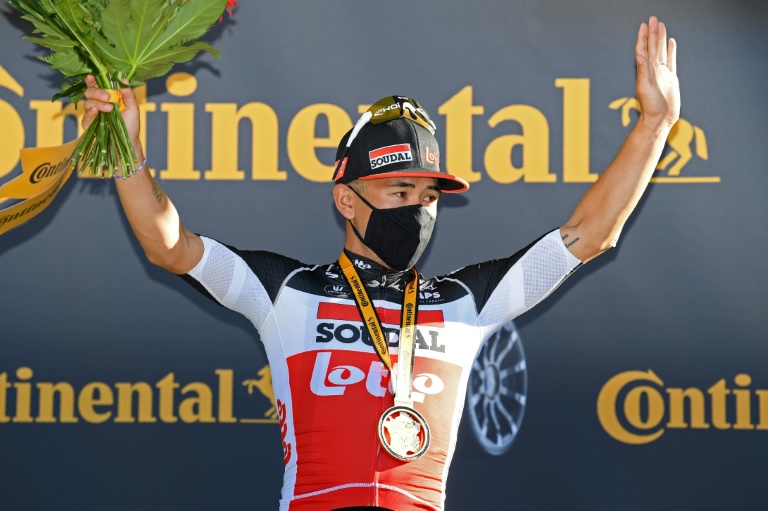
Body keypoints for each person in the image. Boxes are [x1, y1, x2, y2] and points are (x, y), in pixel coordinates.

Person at [82, 16, 679, 511]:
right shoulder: (287, 291)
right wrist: (129, 155)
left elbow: (588, 236)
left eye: (428, 195)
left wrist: (655, 123)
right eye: (399, 191)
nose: (418, 208)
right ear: (347, 199)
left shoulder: (465, 302)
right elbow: (170, 246)